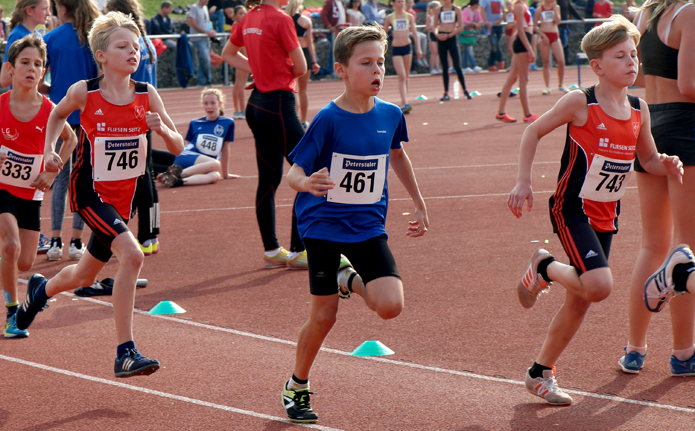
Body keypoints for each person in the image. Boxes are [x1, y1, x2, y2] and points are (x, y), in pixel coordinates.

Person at [508, 15, 684, 405]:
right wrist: (523, 181)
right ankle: (543, 267)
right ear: (598, 66)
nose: (632, 61)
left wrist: (666, 162)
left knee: (581, 299)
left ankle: (540, 373)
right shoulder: (580, 102)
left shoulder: (640, 108)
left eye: (634, 54)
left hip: (606, 213)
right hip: (572, 209)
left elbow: (649, 159)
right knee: (599, 286)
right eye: (621, 55)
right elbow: (532, 131)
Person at [15, 11, 184, 377]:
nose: (133, 51)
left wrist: (165, 132)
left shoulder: (146, 93)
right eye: (123, 46)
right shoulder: (85, 92)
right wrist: (49, 151)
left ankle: (39, 292)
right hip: (90, 193)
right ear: (102, 56)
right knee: (132, 255)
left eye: (136, 46)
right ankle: (126, 351)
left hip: (124, 199)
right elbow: (56, 116)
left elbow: (178, 145)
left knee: (83, 277)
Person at [281, 24, 428, 423]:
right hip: (323, 223)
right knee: (325, 316)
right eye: (366, 63)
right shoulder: (328, 119)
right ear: (342, 69)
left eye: (380, 62)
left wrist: (418, 203)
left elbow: (397, 155)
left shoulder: (391, 114)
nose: (377, 70)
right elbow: (293, 173)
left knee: (390, 306)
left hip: (366, 223)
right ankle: (297, 385)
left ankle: (348, 279)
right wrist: (306, 182)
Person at [620, 0, 695, 376]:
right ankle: (684, 354)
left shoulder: (644, 13)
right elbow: (689, 84)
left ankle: (634, 349)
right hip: (686, 124)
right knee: (686, 245)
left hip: (650, 123)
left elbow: (638, 77)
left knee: (652, 244)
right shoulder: (691, 12)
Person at [221, 0, 309, 270]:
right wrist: (276, 73)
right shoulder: (281, 18)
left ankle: (272, 250)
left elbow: (228, 53)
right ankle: (298, 251)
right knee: (310, 171)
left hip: (257, 104)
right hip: (278, 104)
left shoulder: (248, 17)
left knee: (268, 180)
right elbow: (301, 66)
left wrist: (259, 71)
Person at [1, 35, 78, 338]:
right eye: (25, 63)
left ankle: (17, 275)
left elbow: (70, 139)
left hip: (30, 192)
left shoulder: (49, 109)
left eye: (37, 64)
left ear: (43, 71)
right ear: (11, 68)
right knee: (10, 245)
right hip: (1, 188)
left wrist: (51, 173)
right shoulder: (1, 105)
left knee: (23, 262)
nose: (31, 69)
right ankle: (11, 314)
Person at [41, 0, 100, 262]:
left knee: (60, 179)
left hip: (61, 117)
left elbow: (40, 81)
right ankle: (77, 240)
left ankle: (55, 241)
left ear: (60, 9)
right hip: (89, 118)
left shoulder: (51, 38)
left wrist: (53, 94)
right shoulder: (93, 37)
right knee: (84, 180)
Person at [105, 0, 160, 255]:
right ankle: (151, 233)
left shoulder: (127, 41)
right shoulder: (144, 38)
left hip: (133, 109)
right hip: (145, 106)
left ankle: (144, 235)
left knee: (140, 175)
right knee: (146, 172)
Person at [159, 88, 238, 187]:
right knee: (216, 164)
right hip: (187, 157)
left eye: (213, 103)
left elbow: (225, 148)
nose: (209, 107)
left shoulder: (228, 123)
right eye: (206, 103)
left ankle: (178, 181)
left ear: (220, 104)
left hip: (204, 165)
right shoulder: (195, 123)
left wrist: (226, 174)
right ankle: (174, 174)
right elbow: (187, 146)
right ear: (202, 105)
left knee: (215, 175)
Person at [495, 0, 537, 123]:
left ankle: (501, 112)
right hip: (522, 42)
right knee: (523, 80)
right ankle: (527, 114)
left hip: (522, 41)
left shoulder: (523, 5)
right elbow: (519, 29)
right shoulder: (519, 6)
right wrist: (529, 49)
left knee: (512, 78)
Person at [0, 0, 52, 87]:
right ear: (30, 11)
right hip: (19, 98)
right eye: (45, 9)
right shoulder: (17, 35)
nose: (49, 13)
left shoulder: (38, 36)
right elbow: (5, 79)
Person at [288, 0, 321, 128]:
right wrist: (314, 62)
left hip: (290, 54)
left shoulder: (285, 20)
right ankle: (303, 120)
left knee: (293, 89)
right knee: (303, 90)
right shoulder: (305, 21)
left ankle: (294, 119)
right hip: (304, 53)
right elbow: (310, 43)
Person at [385, 0, 422, 113]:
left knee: (406, 76)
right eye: (398, 2)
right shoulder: (390, 17)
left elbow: (415, 33)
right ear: (393, 3)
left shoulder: (409, 16)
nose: (401, 4)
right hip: (396, 48)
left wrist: (419, 48)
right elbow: (384, 34)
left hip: (407, 47)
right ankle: (405, 103)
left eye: (402, 2)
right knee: (401, 76)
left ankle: (405, 101)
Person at [434, 0, 472, 101]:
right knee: (445, 66)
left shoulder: (457, 10)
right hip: (442, 38)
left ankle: (465, 90)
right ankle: (446, 92)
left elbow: (461, 26)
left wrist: (450, 35)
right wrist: (437, 34)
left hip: (451, 37)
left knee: (457, 65)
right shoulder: (438, 10)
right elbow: (434, 26)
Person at [534, 0, 568, 95]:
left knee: (561, 61)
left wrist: (555, 11)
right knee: (546, 62)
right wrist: (543, 35)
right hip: (544, 35)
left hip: (554, 35)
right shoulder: (539, 9)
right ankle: (547, 86)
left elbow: (557, 22)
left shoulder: (556, 7)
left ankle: (561, 84)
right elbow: (535, 26)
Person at [187, 0, 216, 86]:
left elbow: (208, 21)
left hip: (206, 38)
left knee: (204, 59)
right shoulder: (194, 7)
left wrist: (211, 30)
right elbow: (193, 23)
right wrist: (205, 32)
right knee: (205, 59)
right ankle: (208, 78)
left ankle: (202, 80)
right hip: (198, 38)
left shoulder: (205, 8)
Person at [230, 5, 248, 120]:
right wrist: (247, 57)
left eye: (244, 13)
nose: (243, 15)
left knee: (238, 84)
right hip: (242, 58)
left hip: (239, 57)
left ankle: (237, 110)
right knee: (241, 84)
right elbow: (240, 45)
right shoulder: (238, 27)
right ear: (235, 15)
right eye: (240, 13)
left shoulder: (236, 26)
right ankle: (241, 110)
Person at [480, 0, 505, 71]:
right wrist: (485, 21)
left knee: (496, 45)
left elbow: (503, 11)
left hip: (499, 25)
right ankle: (500, 59)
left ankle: (491, 63)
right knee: (494, 44)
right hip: (490, 26)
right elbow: (482, 10)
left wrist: (501, 19)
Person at [460, 0, 484, 73]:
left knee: (466, 50)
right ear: (475, 4)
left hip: (471, 32)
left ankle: (465, 66)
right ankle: (473, 65)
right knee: (468, 49)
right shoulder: (466, 10)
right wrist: (473, 23)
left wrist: (479, 23)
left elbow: (480, 19)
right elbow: (464, 20)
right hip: (465, 32)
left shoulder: (476, 11)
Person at [425, 1, 441, 74]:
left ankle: (437, 67)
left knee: (437, 52)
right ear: (433, 8)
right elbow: (427, 27)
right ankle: (432, 68)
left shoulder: (439, 16)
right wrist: (433, 27)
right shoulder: (429, 16)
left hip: (437, 34)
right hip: (431, 35)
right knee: (434, 52)